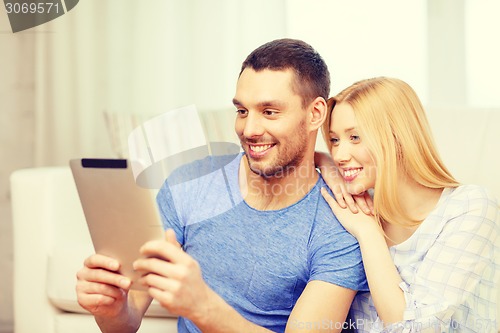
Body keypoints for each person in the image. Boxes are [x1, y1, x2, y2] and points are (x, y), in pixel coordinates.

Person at [76, 38, 369, 333]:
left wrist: (203, 307)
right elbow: (126, 321)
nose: (249, 130)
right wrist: (112, 310)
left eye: (269, 112)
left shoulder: (341, 220)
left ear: (315, 114)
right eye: (242, 111)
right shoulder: (188, 184)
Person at [319, 77, 499, 332]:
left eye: (355, 137)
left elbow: (411, 328)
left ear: (398, 137)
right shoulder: (354, 205)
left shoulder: (469, 208)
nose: (339, 155)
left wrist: (369, 233)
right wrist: (323, 162)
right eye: (334, 140)